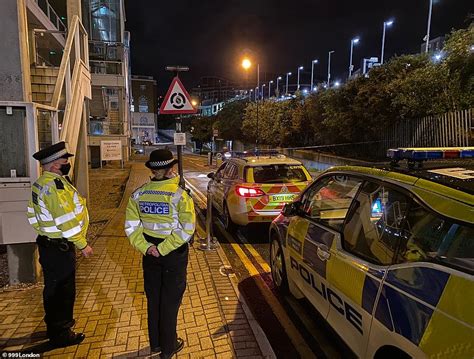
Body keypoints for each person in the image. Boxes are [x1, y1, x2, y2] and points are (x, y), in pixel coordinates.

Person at [125, 149, 195, 358]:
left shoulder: (139, 193)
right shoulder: (179, 194)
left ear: (153, 170)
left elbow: (131, 226)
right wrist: (163, 249)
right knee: (170, 302)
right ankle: (168, 348)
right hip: (172, 253)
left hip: (149, 253)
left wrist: (147, 248)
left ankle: (155, 343)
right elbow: (187, 228)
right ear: (171, 169)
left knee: (154, 298)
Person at [27, 141, 93, 347]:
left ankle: (54, 327)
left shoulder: (41, 183)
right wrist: (82, 244)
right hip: (59, 247)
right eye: (65, 161)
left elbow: (32, 215)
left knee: (53, 289)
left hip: (49, 245)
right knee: (63, 292)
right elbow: (66, 221)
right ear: (55, 165)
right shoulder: (54, 187)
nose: (67, 164)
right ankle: (62, 334)